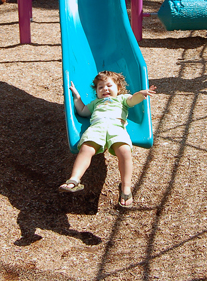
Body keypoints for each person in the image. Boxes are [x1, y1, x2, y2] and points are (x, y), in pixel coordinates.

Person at [59, 71, 156, 208]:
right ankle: (74, 180)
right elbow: (82, 111)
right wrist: (76, 97)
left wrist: (141, 94)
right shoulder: (95, 103)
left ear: (118, 88)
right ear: (96, 91)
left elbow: (133, 100)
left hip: (116, 128)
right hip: (97, 128)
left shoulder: (122, 99)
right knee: (86, 149)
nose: (105, 89)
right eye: (100, 87)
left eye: (109, 85)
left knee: (125, 152)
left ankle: (126, 187)